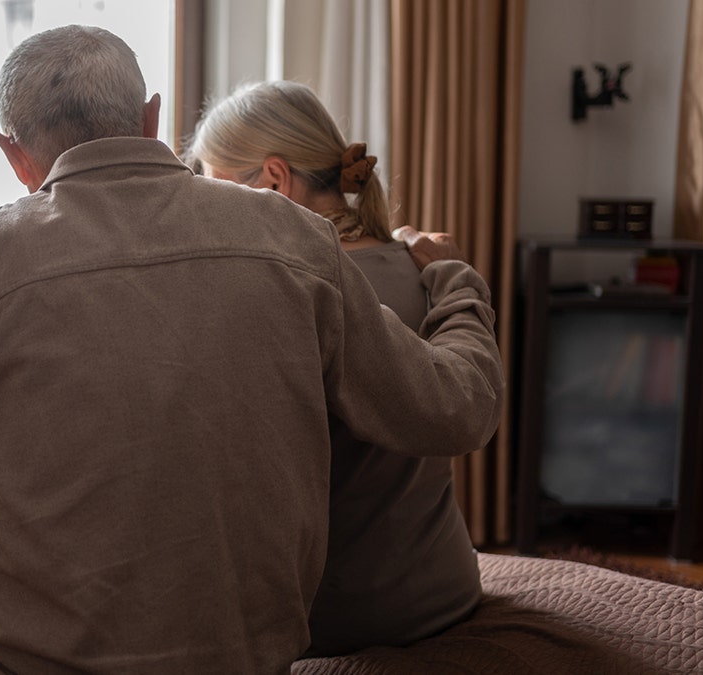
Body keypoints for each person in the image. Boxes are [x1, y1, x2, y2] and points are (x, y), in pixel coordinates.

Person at [0, 25, 504, 675]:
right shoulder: (296, 238)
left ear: (13, 154)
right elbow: (456, 410)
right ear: (152, 117)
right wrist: (452, 276)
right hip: (243, 658)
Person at [186, 80, 484, 656]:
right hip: (445, 588)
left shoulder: (285, 294)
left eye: (217, 189)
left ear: (273, 179)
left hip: (337, 617)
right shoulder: (423, 264)